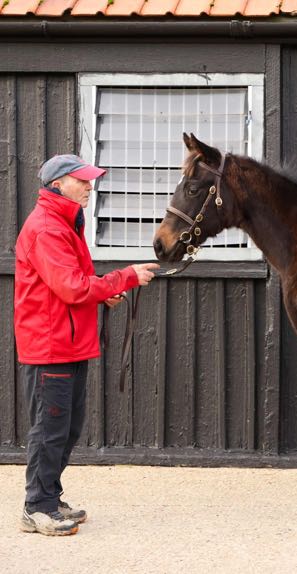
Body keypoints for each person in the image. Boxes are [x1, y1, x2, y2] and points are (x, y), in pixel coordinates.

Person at [14, 154, 160, 536]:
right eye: (81, 180)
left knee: (67, 428)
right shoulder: (47, 228)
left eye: (89, 180)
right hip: (50, 347)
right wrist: (124, 278)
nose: (89, 186)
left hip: (69, 343)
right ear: (58, 184)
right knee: (50, 430)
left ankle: (49, 496)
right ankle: (37, 507)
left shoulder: (66, 222)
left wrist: (103, 294)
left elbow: (74, 282)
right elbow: (71, 287)